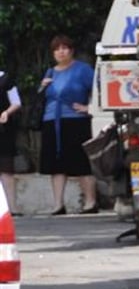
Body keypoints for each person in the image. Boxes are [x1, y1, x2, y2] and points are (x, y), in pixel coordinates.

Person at [39, 35, 98, 215]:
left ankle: (90, 202)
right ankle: (58, 204)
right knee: (55, 165)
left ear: (71, 51)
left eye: (64, 48)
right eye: (57, 49)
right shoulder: (50, 72)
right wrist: (42, 86)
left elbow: (98, 90)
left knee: (81, 162)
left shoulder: (82, 69)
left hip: (75, 120)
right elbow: (42, 97)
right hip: (51, 121)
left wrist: (89, 108)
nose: (61, 52)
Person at [0, 67, 21, 213]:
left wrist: (6, 112)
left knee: (7, 169)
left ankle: (12, 207)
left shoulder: (5, 79)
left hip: (3, 130)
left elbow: (16, 102)